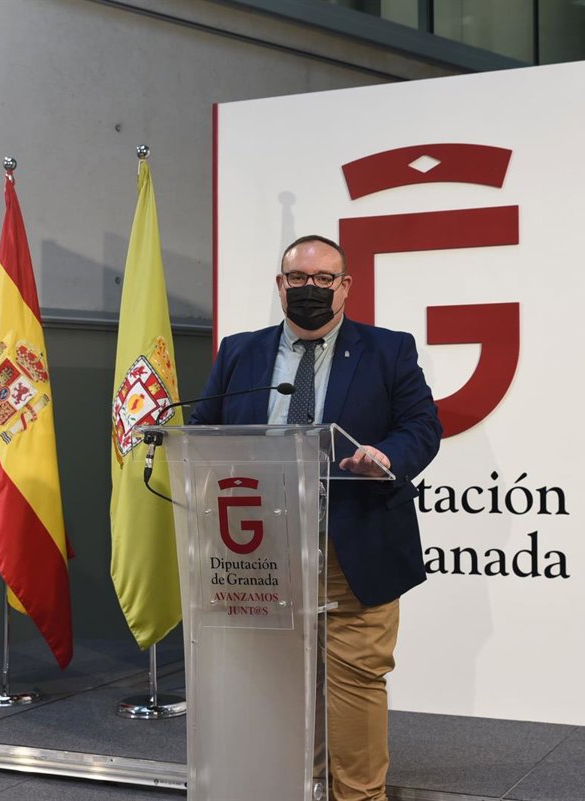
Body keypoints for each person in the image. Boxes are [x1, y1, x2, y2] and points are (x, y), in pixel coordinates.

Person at [190, 234, 442, 801]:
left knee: (355, 681)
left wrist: (386, 458)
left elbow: (422, 426)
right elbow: (204, 430)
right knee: (269, 681)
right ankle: (283, 786)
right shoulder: (240, 352)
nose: (311, 288)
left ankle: (357, 796)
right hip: (258, 551)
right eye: (299, 279)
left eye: (324, 279)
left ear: (345, 286)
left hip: (351, 543)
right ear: (280, 285)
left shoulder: (388, 350)